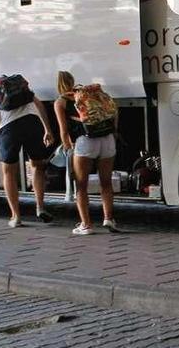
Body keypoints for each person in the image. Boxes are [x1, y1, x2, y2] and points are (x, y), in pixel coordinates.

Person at [0, 75, 55, 227]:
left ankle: (16, 216)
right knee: (37, 166)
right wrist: (48, 129)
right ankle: (40, 207)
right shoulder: (19, 88)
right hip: (32, 124)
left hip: (9, 129)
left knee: (9, 172)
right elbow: (39, 105)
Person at [53, 71, 118, 235]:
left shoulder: (61, 102)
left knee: (81, 185)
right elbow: (114, 111)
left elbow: (63, 130)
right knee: (106, 182)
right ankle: (108, 218)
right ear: (72, 80)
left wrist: (67, 146)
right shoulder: (89, 94)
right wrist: (114, 132)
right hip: (107, 138)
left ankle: (86, 224)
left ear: (58, 84)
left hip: (85, 141)